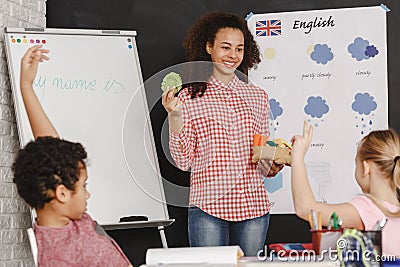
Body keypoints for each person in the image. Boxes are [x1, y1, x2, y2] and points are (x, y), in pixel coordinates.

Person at [162, 12, 282, 256]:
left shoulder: (257, 97)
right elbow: (184, 161)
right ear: (208, 47)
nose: (233, 55)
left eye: (239, 49)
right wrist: (174, 116)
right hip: (208, 208)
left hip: (253, 208)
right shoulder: (188, 97)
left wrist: (272, 164)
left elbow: (262, 149)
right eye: (225, 47)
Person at [12, 45, 133, 266]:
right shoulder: (59, 257)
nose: (87, 195)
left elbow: (51, 148)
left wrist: (26, 86)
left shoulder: (68, 220)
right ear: (62, 193)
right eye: (83, 186)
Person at [290, 121, 400, 256]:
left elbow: (304, 208)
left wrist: (297, 157)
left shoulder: (367, 208)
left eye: (356, 163)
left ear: (366, 168)